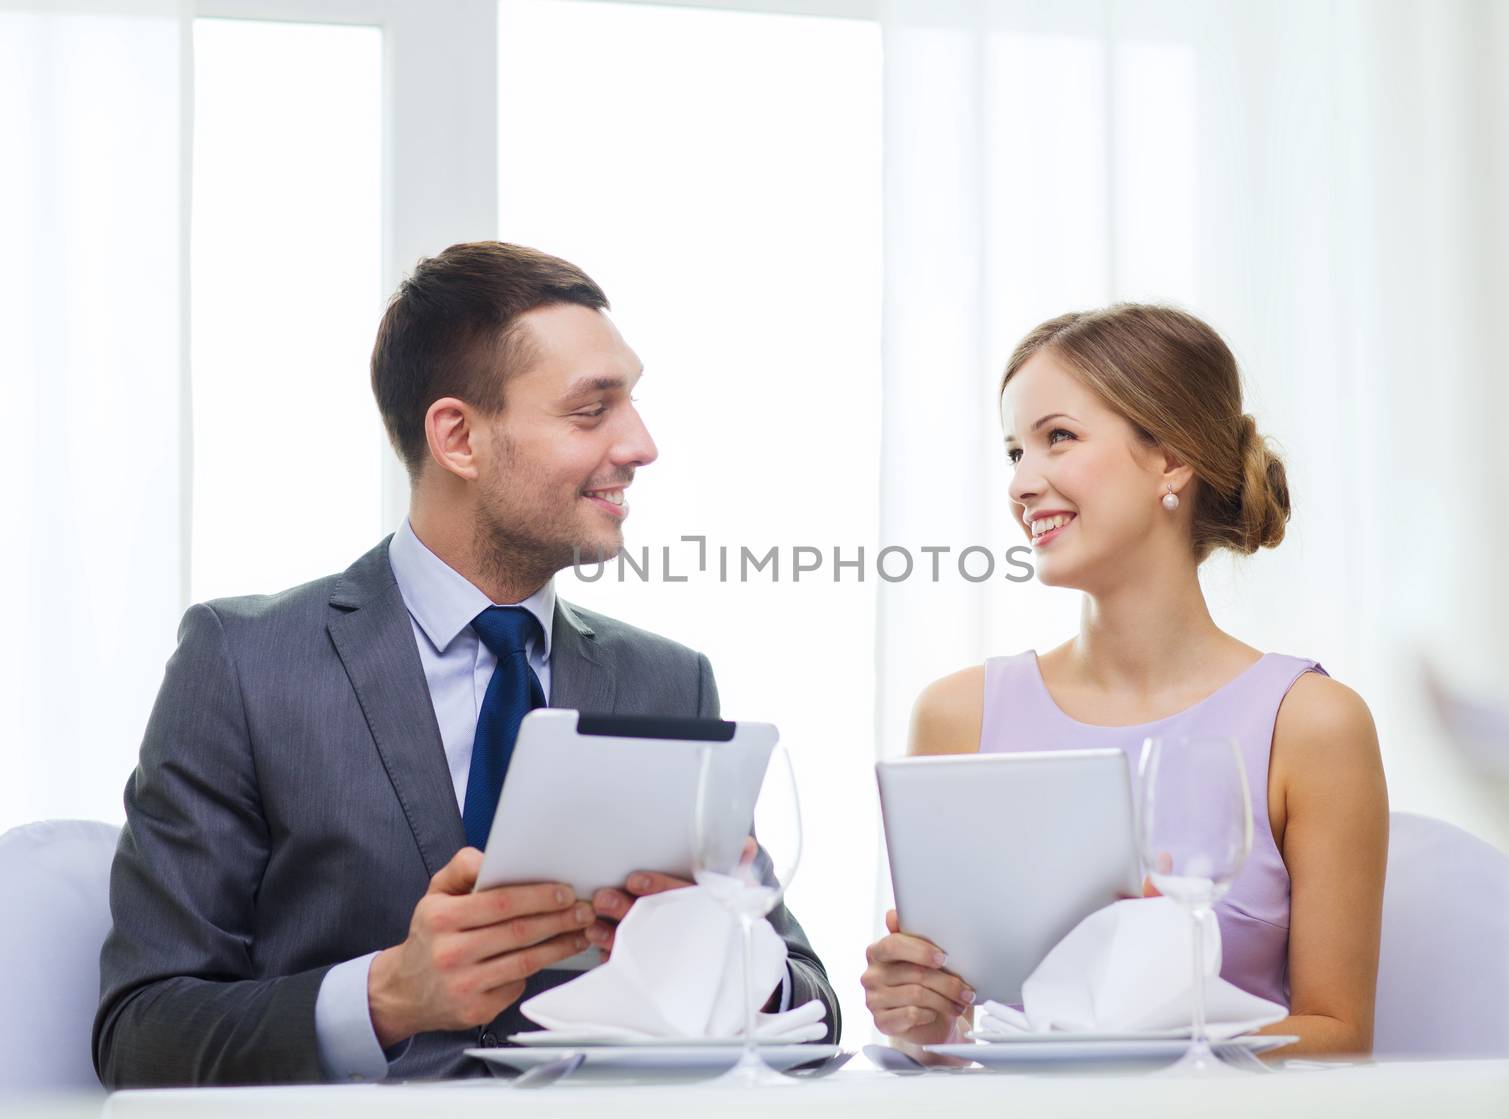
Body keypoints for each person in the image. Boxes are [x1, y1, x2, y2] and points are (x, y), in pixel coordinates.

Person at [95, 241, 839, 1087]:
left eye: (632, 402)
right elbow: (139, 1031)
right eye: (592, 411)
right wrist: (383, 997)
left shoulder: (669, 681)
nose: (642, 445)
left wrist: (733, 957)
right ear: (457, 436)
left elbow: (811, 1007)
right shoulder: (246, 664)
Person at [860, 304, 1387, 1060]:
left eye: (1058, 438)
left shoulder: (1311, 724)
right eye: (1013, 452)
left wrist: (1133, 1033)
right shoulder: (957, 715)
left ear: (1171, 460)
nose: (1022, 483)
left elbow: (1339, 1035)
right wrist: (923, 1018)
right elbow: (948, 1036)